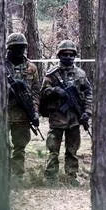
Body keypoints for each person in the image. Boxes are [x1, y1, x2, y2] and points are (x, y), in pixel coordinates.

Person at [39, 40, 92, 185]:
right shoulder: (52, 74)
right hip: (57, 117)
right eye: (65, 54)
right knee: (53, 150)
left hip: (74, 118)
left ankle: (71, 177)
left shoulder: (81, 74)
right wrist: (55, 91)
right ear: (59, 55)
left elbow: (88, 93)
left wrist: (87, 112)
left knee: (72, 150)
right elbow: (42, 93)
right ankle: (50, 177)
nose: (68, 57)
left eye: (71, 54)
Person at [4, 32, 41, 181]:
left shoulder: (31, 68)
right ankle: (2, 175)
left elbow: (36, 91)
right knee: (2, 146)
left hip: (22, 114)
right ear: (9, 49)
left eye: (22, 48)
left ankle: (17, 175)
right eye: (16, 48)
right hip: (3, 113)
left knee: (20, 147)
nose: (20, 51)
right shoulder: (1, 66)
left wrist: (35, 111)